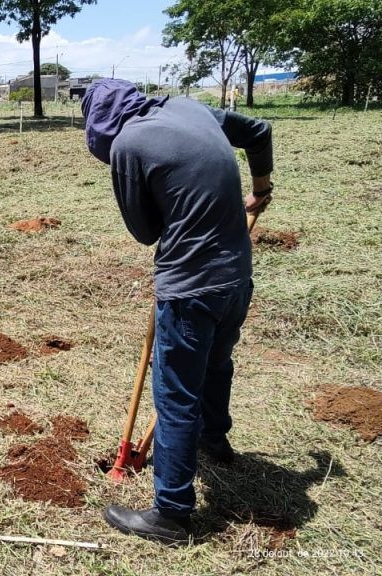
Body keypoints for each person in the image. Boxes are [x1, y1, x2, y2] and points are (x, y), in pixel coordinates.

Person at [81, 78, 274, 546]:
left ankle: (170, 513)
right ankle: (214, 439)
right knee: (216, 363)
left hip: (191, 286)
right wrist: (260, 189)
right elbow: (259, 130)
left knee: (175, 396)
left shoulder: (128, 143)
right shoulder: (190, 107)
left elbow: (146, 231)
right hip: (236, 277)